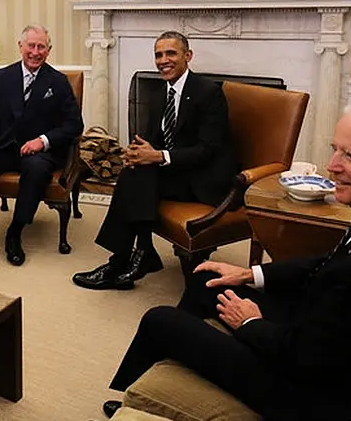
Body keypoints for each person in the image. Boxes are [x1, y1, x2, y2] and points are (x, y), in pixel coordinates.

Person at [81, 100, 351, 421]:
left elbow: (305, 356)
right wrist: (252, 273)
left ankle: (128, 415)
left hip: (311, 396)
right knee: (209, 281)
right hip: (321, 334)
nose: (333, 166)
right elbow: (332, 262)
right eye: (335, 150)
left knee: (160, 320)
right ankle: (138, 405)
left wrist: (249, 321)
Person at [73, 31, 236, 290]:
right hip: (175, 171)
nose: (163, 60)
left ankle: (126, 259)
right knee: (135, 172)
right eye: (158, 55)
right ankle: (138, 254)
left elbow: (208, 150)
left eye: (170, 53)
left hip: (204, 177)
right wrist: (136, 154)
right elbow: (151, 140)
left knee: (137, 178)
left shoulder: (208, 93)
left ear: (187, 56)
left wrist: (158, 156)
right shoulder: (159, 94)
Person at [0, 24, 83, 267]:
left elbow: (74, 125)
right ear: (21, 46)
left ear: (48, 51)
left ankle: (15, 233)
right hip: (3, 148)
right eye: (31, 46)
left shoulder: (57, 82)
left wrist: (43, 141)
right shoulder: (0, 78)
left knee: (37, 170)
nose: (35, 52)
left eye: (41, 47)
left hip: (39, 153)